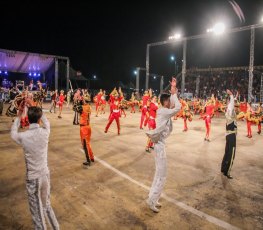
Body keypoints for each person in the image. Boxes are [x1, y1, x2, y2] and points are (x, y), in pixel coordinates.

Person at [10, 107, 59, 230]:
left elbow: (13, 134)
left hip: (33, 178)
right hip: (45, 175)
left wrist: (19, 116)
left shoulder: (24, 136)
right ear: (39, 120)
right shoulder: (45, 132)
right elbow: (47, 122)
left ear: (28, 119)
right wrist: (35, 106)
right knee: (47, 206)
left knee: (37, 213)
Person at [146, 77, 181, 213]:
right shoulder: (163, 111)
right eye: (168, 100)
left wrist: (173, 90)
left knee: (158, 173)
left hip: (160, 144)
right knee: (162, 174)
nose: (170, 103)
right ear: (165, 102)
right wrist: (173, 93)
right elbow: (177, 107)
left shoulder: (163, 111)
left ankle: (152, 198)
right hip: (159, 146)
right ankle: (152, 201)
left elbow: (173, 105)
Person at [221, 90, 238, 179]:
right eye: (232, 102)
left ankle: (223, 168)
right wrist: (231, 95)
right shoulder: (230, 109)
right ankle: (227, 172)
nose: (234, 103)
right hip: (231, 135)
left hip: (228, 134)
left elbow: (232, 103)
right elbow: (231, 104)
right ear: (228, 102)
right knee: (231, 154)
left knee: (227, 152)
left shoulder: (228, 109)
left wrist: (234, 96)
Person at [79, 95, 94, 167]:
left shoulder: (82, 107)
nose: (82, 101)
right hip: (88, 126)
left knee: (85, 145)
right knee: (88, 143)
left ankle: (88, 160)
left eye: (83, 100)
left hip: (83, 128)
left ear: (85, 101)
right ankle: (92, 157)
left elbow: (74, 108)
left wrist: (77, 100)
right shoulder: (89, 107)